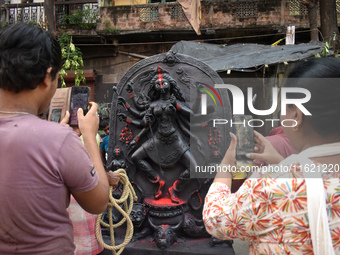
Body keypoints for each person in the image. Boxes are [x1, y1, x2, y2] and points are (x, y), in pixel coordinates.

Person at [203, 57, 340, 254]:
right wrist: (280, 161)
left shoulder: (268, 186)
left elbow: (215, 220)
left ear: (296, 116)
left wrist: (226, 165)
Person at [0, 23, 110, 254]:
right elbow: (98, 202)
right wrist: (89, 136)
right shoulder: (58, 139)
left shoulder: (55, 138)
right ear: (47, 76)